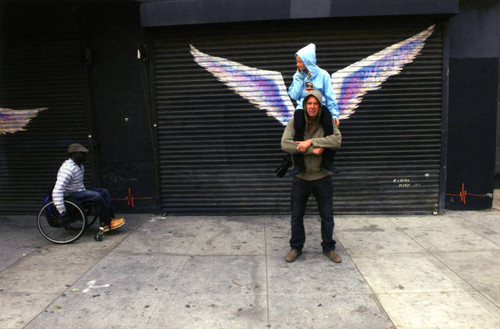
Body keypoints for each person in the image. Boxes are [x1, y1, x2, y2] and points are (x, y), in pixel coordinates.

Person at [281, 90, 342, 263]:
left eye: (316, 104)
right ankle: (296, 247)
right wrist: (311, 150)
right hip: (301, 177)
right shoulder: (295, 122)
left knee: (327, 216)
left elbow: (337, 140)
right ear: (305, 105)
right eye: (309, 103)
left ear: (320, 105)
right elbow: (285, 143)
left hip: (323, 177)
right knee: (296, 216)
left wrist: (311, 141)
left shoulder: (327, 122)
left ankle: (329, 248)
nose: (313, 107)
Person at [288, 43, 340, 175]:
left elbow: (330, 95)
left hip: (321, 107)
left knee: (330, 128)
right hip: (302, 107)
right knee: (298, 126)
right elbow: (294, 95)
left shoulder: (323, 75)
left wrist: (334, 114)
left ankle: (327, 162)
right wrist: (299, 78)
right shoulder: (298, 75)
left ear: (307, 61)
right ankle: (298, 164)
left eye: (299, 62)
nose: (297, 65)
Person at [52, 143, 125, 232]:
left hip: (79, 191)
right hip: (70, 196)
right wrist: (62, 212)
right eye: (82, 153)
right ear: (74, 154)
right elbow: (57, 190)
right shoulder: (68, 169)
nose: (85, 155)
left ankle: (110, 219)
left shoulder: (80, 166)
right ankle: (107, 222)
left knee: (104, 192)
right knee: (96, 196)